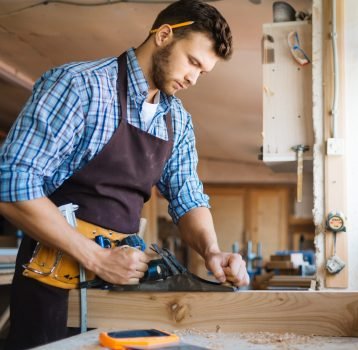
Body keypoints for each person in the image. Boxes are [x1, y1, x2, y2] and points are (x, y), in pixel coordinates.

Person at [0, 0, 249, 348]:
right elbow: (12, 185)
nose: (194, 78)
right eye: (192, 62)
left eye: (203, 72)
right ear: (164, 36)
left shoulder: (176, 120)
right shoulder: (80, 86)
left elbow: (188, 196)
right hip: (54, 284)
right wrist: (95, 257)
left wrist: (212, 252)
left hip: (119, 283)